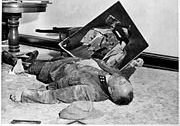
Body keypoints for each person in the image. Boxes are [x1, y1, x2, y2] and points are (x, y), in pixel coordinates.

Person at [2, 50, 143, 106]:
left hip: (54, 71)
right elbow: (123, 75)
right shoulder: (115, 78)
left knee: (29, 66)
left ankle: (13, 59)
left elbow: (56, 95)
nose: (122, 79)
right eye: (126, 81)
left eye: (122, 82)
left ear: (111, 91)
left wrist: (25, 96)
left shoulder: (89, 91)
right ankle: (31, 59)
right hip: (73, 60)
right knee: (53, 56)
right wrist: (133, 65)